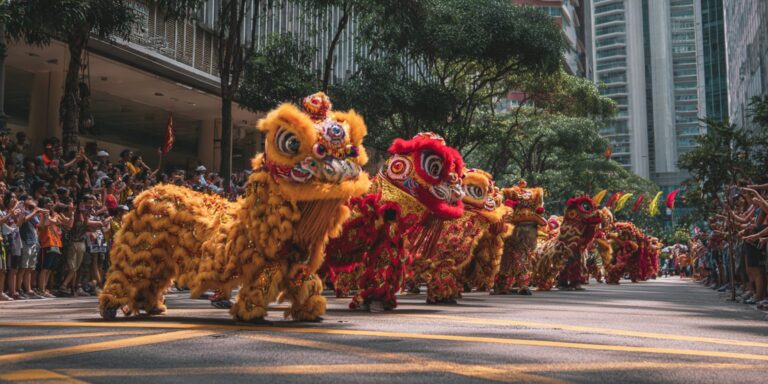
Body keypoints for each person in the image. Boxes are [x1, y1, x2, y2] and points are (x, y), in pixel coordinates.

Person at [37, 197, 71, 298]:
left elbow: (67, 223)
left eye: (51, 203)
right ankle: (41, 289)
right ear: (43, 204)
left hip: (56, 243)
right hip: (46, 243)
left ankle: (45, 288)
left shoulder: (55, 214)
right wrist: (49, 216)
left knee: (50, 269)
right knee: (44, 268)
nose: (51, 204)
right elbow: (47, 223)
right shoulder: (41, 214)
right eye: (48, 203)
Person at [17, 194, 43, 299]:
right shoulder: (22, 210)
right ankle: (19, 289)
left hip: (33, 241)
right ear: (23, 201)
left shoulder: (32, 211)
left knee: (29, 268)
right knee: (23, 267)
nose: (32, 200)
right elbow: (23, 220)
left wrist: (44, 215)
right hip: (25, 240)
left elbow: (40, 226)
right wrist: (35, 211)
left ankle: (29, 290)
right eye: (29, 199)